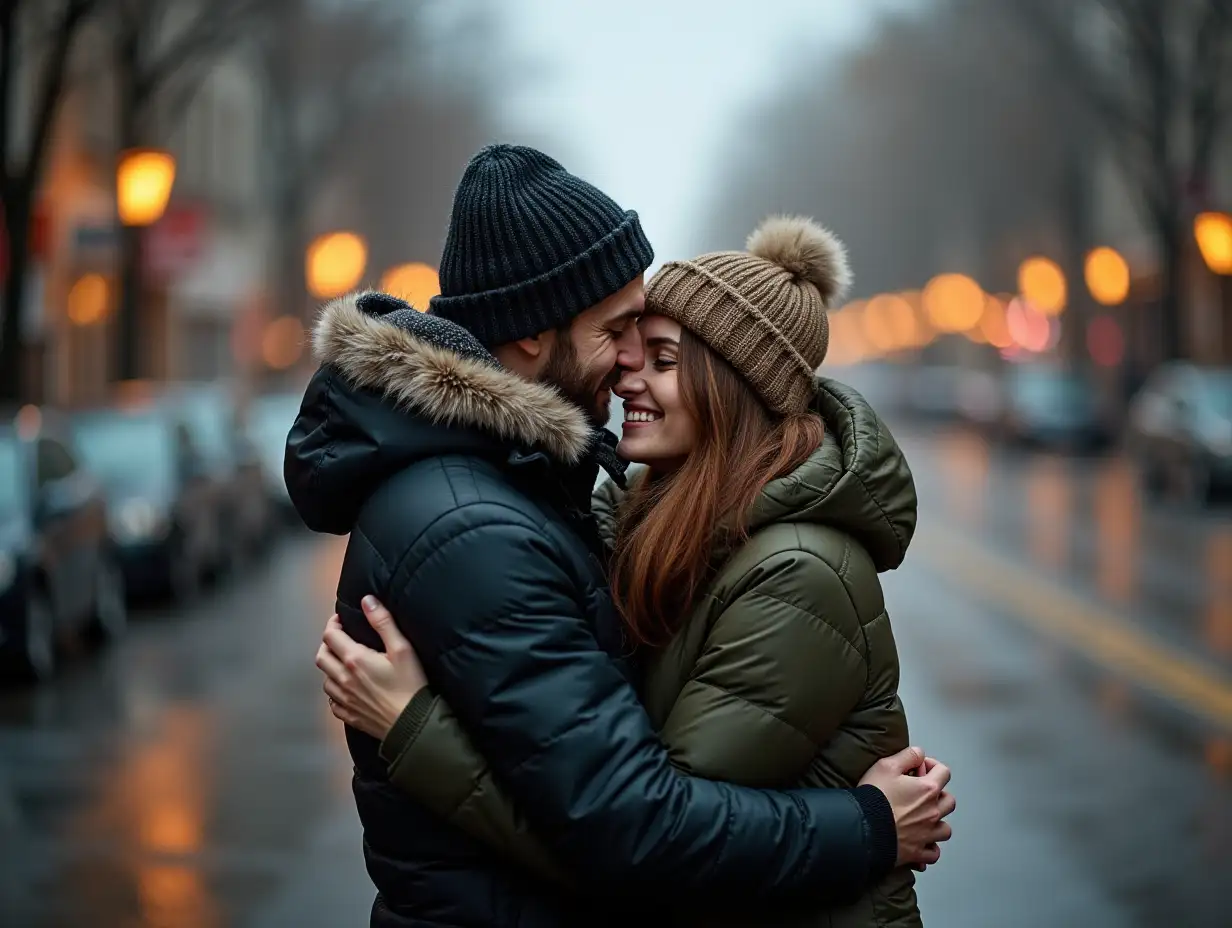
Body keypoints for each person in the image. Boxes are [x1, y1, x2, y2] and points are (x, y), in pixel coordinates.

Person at [289, 144, 952, 928]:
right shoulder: (483, 523)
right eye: (621, 331)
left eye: (662, 353)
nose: (632, 363)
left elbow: (637, 838)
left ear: (731, 395)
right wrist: (868, 826)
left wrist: (418, 734)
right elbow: (637, 836)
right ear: (535, 333)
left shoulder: (774, 562)